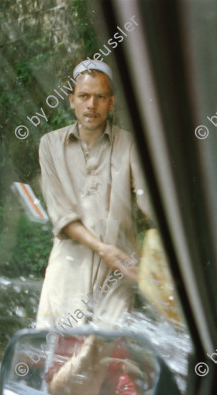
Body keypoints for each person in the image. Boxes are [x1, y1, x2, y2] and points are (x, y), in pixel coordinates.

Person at [36, 59, 152, 330]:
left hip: (118, 268)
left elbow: (147, 199)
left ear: (111, 103)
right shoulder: (50, 145)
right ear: (71, 101)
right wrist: (102, 249)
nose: (91, 104)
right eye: (84, 96)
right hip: (68, 268)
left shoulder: (129, 143)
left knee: (104, 353)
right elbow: (60, 213)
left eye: (100, 97)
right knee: (56, 353)